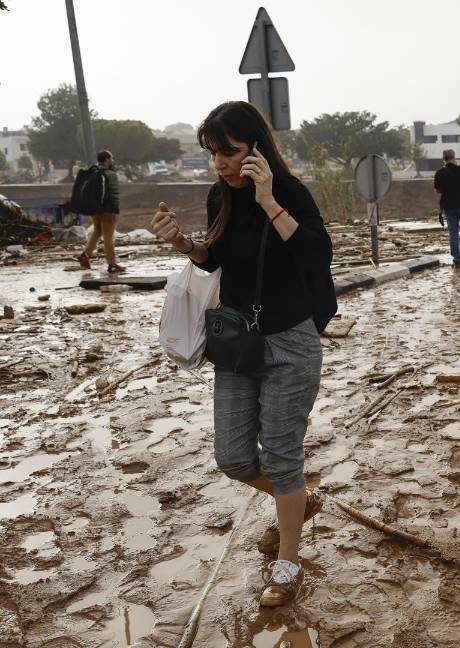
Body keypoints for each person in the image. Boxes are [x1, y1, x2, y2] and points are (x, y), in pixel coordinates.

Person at [149, 100, 336, 607]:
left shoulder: (289, 192)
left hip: (291, 342)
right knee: (232, 457)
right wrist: (186, 245)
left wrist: (269, 199)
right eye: (213, 154)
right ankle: (297, 500)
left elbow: (317, 256)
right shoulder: (219, 197)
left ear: (256, 148)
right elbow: (219, 261)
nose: (221, 165)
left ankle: (288, 564)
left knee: (281, 457)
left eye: (228, 153)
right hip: (237, 342)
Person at [75, 150, 125, 273]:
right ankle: (112, 263)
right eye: (111, 158)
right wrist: (115, 211)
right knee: (108, 236)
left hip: (95, 209)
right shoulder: (110, 174)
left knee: (97, 232)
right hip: (108, 210)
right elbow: (114, 194)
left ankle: (85, 255)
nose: (112, 161)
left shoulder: (94, 172)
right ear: (107, 159)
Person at [433, 149, 460, 267]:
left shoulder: (439, 173)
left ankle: (456, 260)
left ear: (443, 159)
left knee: (453, 233)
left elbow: (437, 191)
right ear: (454, 158)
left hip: (448, 207)